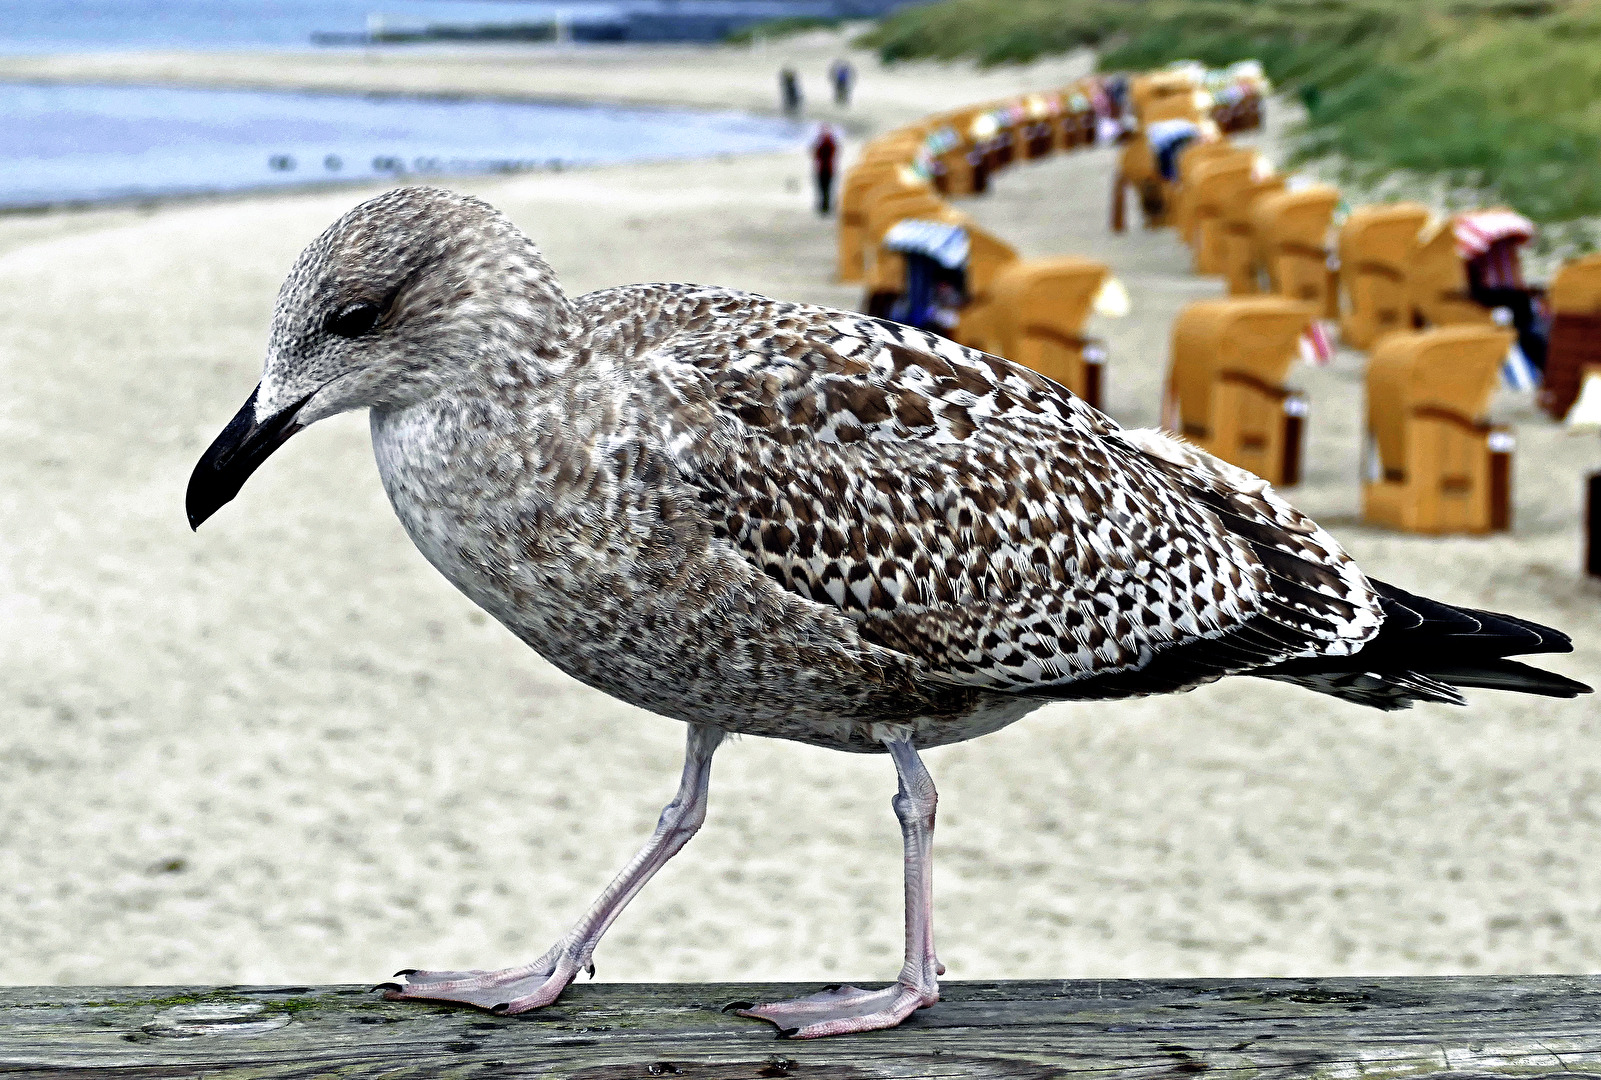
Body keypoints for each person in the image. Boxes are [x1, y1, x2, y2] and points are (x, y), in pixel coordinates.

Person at [811, 124, 839, 215]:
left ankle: (825, 206)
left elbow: (817, 154)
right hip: (828, 168)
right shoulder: (830, 142)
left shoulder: (826, 143)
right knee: (826, 188)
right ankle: (825, 205)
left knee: (823, 188)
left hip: (824, 168)